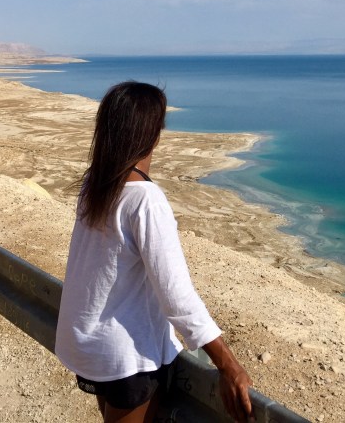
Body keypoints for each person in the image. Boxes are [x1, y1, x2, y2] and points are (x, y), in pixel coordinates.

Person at [56, 81, 254, 423]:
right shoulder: (146, 201)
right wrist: (228, 365)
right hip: (127, 358)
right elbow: (176, 296)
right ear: (153, 136)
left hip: (91, 346)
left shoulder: (95, 184)